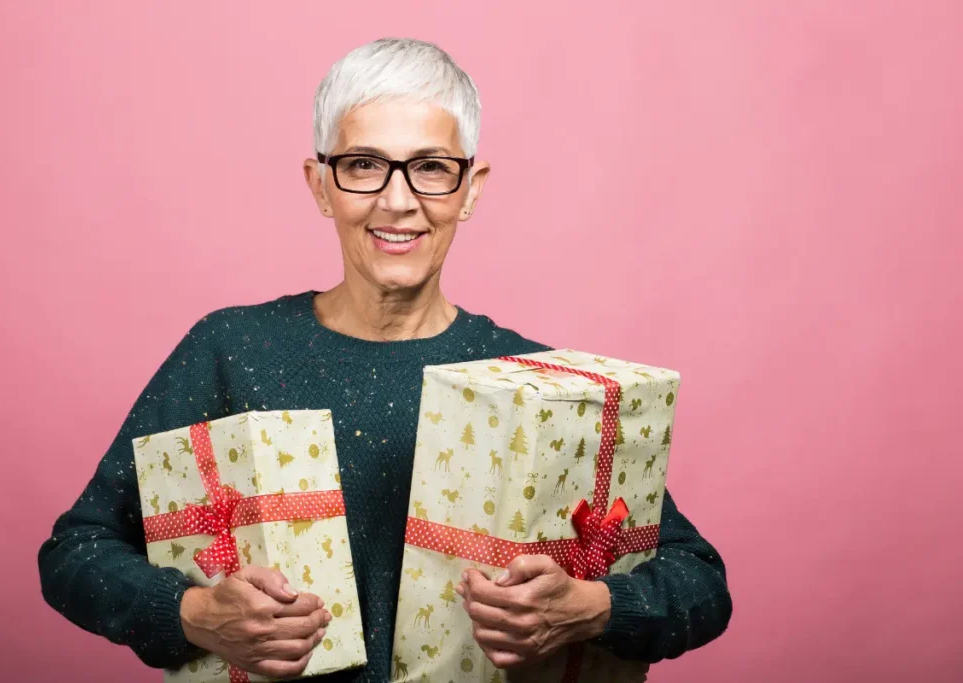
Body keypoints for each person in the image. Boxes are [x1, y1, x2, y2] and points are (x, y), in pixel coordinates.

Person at [38, 37, 732, 681]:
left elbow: (700, 581)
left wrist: (592, 607)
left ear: (471, 188)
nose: (398, 202)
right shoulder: (230, 349)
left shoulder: (536, 384)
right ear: (320, 184)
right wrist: (192, 615)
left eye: (431, 168)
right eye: (363, 165)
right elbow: (75, 552)